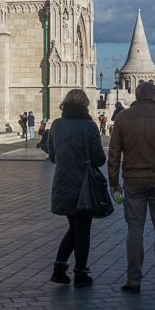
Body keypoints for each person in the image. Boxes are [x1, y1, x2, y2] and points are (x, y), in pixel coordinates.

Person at [107, 81, 155, 294]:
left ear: (137, 95)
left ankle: (134, 281)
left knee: (135, 230)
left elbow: (114, 154)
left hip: (133, 182)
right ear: (153, 96)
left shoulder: (122, 118)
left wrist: (114, 183)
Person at [47, 88, 106, 288]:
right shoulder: (89, 126)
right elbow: (99, 158)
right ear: (85, 105)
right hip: (83, 185)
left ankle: (59, 269)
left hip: (63, 182)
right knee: (82, 231)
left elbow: (53, 156)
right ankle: (80, 273)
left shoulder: (56, 125)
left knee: (73, 228)